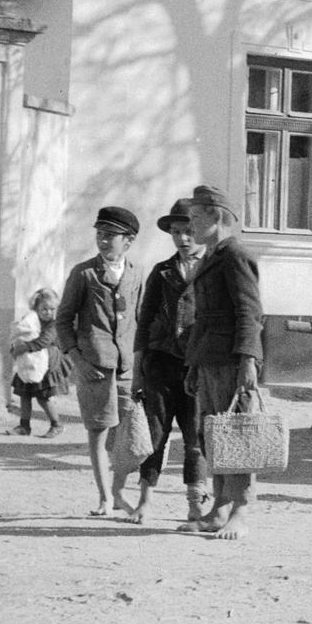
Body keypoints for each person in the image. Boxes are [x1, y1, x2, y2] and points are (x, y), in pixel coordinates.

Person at [182, 183, 264, 540]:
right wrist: (193, 364)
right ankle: (219, 507)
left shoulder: (234, 255)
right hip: (209, 359)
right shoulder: (213, 256)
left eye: (196, 219)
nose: (190, 227)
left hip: (232, 359)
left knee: (239, 434)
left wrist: (248, 359)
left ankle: (241, 510)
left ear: (216, 217)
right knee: (214, 434)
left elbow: (250, 312)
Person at [55, 205, 146, 518]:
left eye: (111, 236)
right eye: (100, 234)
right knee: (98, 432)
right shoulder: (84, 273)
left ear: (128, 241)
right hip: (93, 367)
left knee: (129, 436)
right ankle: (105, 497)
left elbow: (140, 320)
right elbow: (63, 320)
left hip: (127, 369)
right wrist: (76, 359)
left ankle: (119, 491)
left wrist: (141, 363)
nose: (104, 241)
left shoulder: (137, 273)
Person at [130, 196, 208, 527]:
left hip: (197, 367)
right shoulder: (162, 272)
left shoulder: (213, 269)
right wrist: (138, 371)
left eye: (189, 231)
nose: (183, 239)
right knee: (154, 434)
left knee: (195, 438)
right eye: (176, 232)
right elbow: (144, 321)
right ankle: (145, 501)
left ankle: (195, 506)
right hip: (160, 365)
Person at [7, 288, 64, 437]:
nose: (48, 312)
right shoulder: (32, 321)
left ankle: (56, 424)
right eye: (43, 309)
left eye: (52, 309)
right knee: (25, 396)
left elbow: (44, 341)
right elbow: (21, 333)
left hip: (46, 366)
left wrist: (24, 347)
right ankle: (24, 426)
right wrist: (15, 347)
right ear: (36, 308)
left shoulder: (53, 325)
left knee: (43, 397)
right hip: (29, 364)